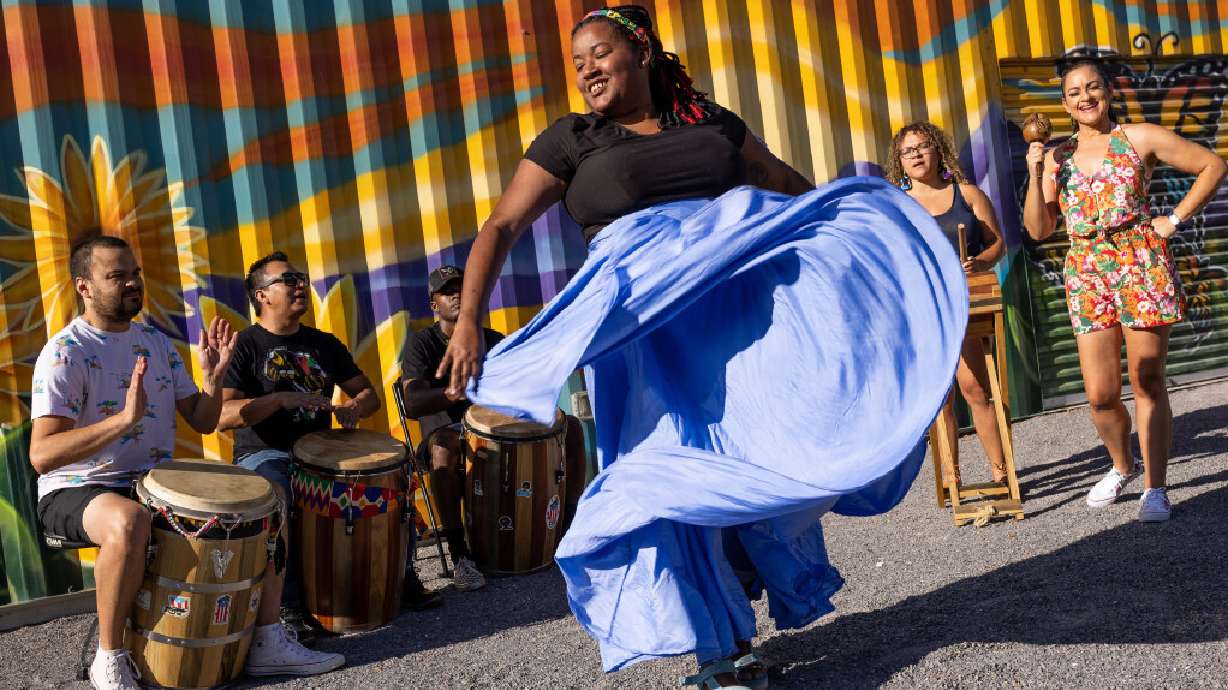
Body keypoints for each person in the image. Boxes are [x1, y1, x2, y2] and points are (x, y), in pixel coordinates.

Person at [428, 6, 965, 689]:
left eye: (600, 53)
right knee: (667, 472)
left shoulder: (709, 122)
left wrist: (859, 233)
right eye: (578, 61)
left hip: (731, 317)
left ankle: (744, 576)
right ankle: (721, 648)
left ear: (641, 50)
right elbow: (502, 225)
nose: (587, 69)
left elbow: (785, 186)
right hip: (642, 332)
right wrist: (470, 319)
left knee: (762, 447)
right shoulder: (574, 139)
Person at [29, 236, 343, 690]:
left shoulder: (154, 342)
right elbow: (42, 455)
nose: (132, 282)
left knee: (268, 500)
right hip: (77, 488)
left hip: (152, 484)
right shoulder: (65, 353)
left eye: (134, 273)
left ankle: (267, 641)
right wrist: (122, 421)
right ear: (84, 287)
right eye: (116, 276)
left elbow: (203, 420)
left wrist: (214, 379)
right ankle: (110, 660)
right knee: (128, 522)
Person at [1022, 58, 1226, 522]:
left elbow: (1212, 165)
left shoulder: (1139, 137)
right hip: (1087, 271)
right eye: (1074, 92)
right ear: (1064, 104)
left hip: (1140, 262)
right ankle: (1121, 466)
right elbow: (1038, 229)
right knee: (1099, 393)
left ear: (1108, 92)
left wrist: (1173, 221)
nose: (1085, 97)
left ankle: (1155, 487)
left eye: (1093, 87)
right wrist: (1036, 173)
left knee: (1148, 380)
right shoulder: (1057, 156)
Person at [217, 252, 436, 641]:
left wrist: (354, 408)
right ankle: (289, 606)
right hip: (264, 454)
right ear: (263, 295)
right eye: (289, 280)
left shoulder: (323, 344)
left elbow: (368, 394)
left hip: (321, 453)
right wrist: (281, 400)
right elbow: (224, 414)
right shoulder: (245, 346)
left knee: (389, 479)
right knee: (280, 493)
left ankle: (400, 578)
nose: (300, 285)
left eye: (300, 278)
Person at [399, 265, 588, 592]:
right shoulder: (422, 345)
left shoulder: (493, 340)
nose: (457, 295)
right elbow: (412, 403)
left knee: (570, 427)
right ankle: (461, 556)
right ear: (434, 305)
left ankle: (566, 531)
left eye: (463, 288)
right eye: (448, 291)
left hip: (498, 431)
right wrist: (450, 393)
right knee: (445, 446)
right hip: (448, 434)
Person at [886, 122, 1008, 484]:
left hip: (967, 303)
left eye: (923, 146)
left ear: (938, 150)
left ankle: (1001, 476)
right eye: (908, 151)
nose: (917, 155)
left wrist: (981, 261)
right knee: (940, 397)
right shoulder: (897, 204)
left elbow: (997, 243)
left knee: (977, 388)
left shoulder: (967, 194)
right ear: (900, 161)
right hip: (924, 309)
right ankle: (951, 480)